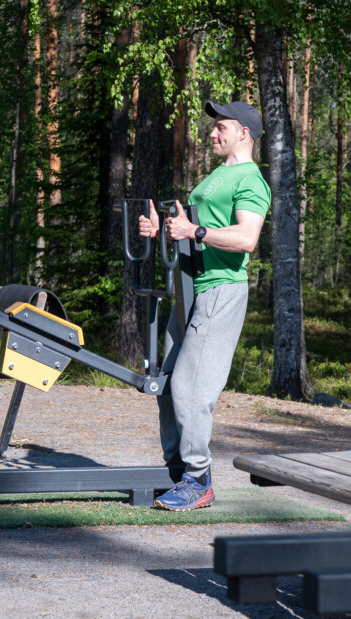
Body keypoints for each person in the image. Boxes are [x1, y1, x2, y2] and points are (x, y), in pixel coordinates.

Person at [138, 100, 271, 511]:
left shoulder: (251, 180)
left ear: (243, 134)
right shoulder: (219, 174)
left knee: (191, 389)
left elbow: (247, 238)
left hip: (220, 292)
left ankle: (199, 480)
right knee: (166, 382)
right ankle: (178, 473)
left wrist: (195, 230)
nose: (212, 133)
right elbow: (195, 228)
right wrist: (167, 229)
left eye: (222, 128)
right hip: (192, 288)